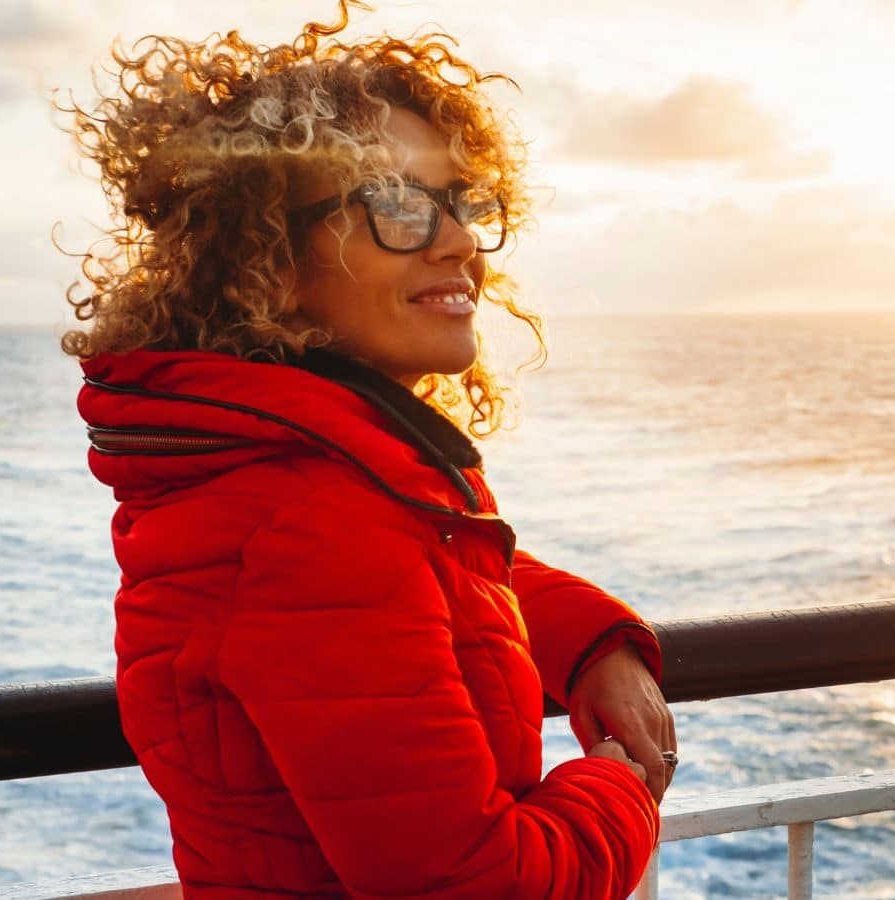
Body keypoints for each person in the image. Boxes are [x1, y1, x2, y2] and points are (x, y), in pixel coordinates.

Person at [60, 4, 675, 897]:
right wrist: (621, 782)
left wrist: (590, 642)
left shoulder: (296, 478)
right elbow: (477, 885)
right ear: (263, 256)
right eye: (398, 206)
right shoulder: (308, 521)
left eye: (463, 204)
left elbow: (426, 574)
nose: (460, 241)